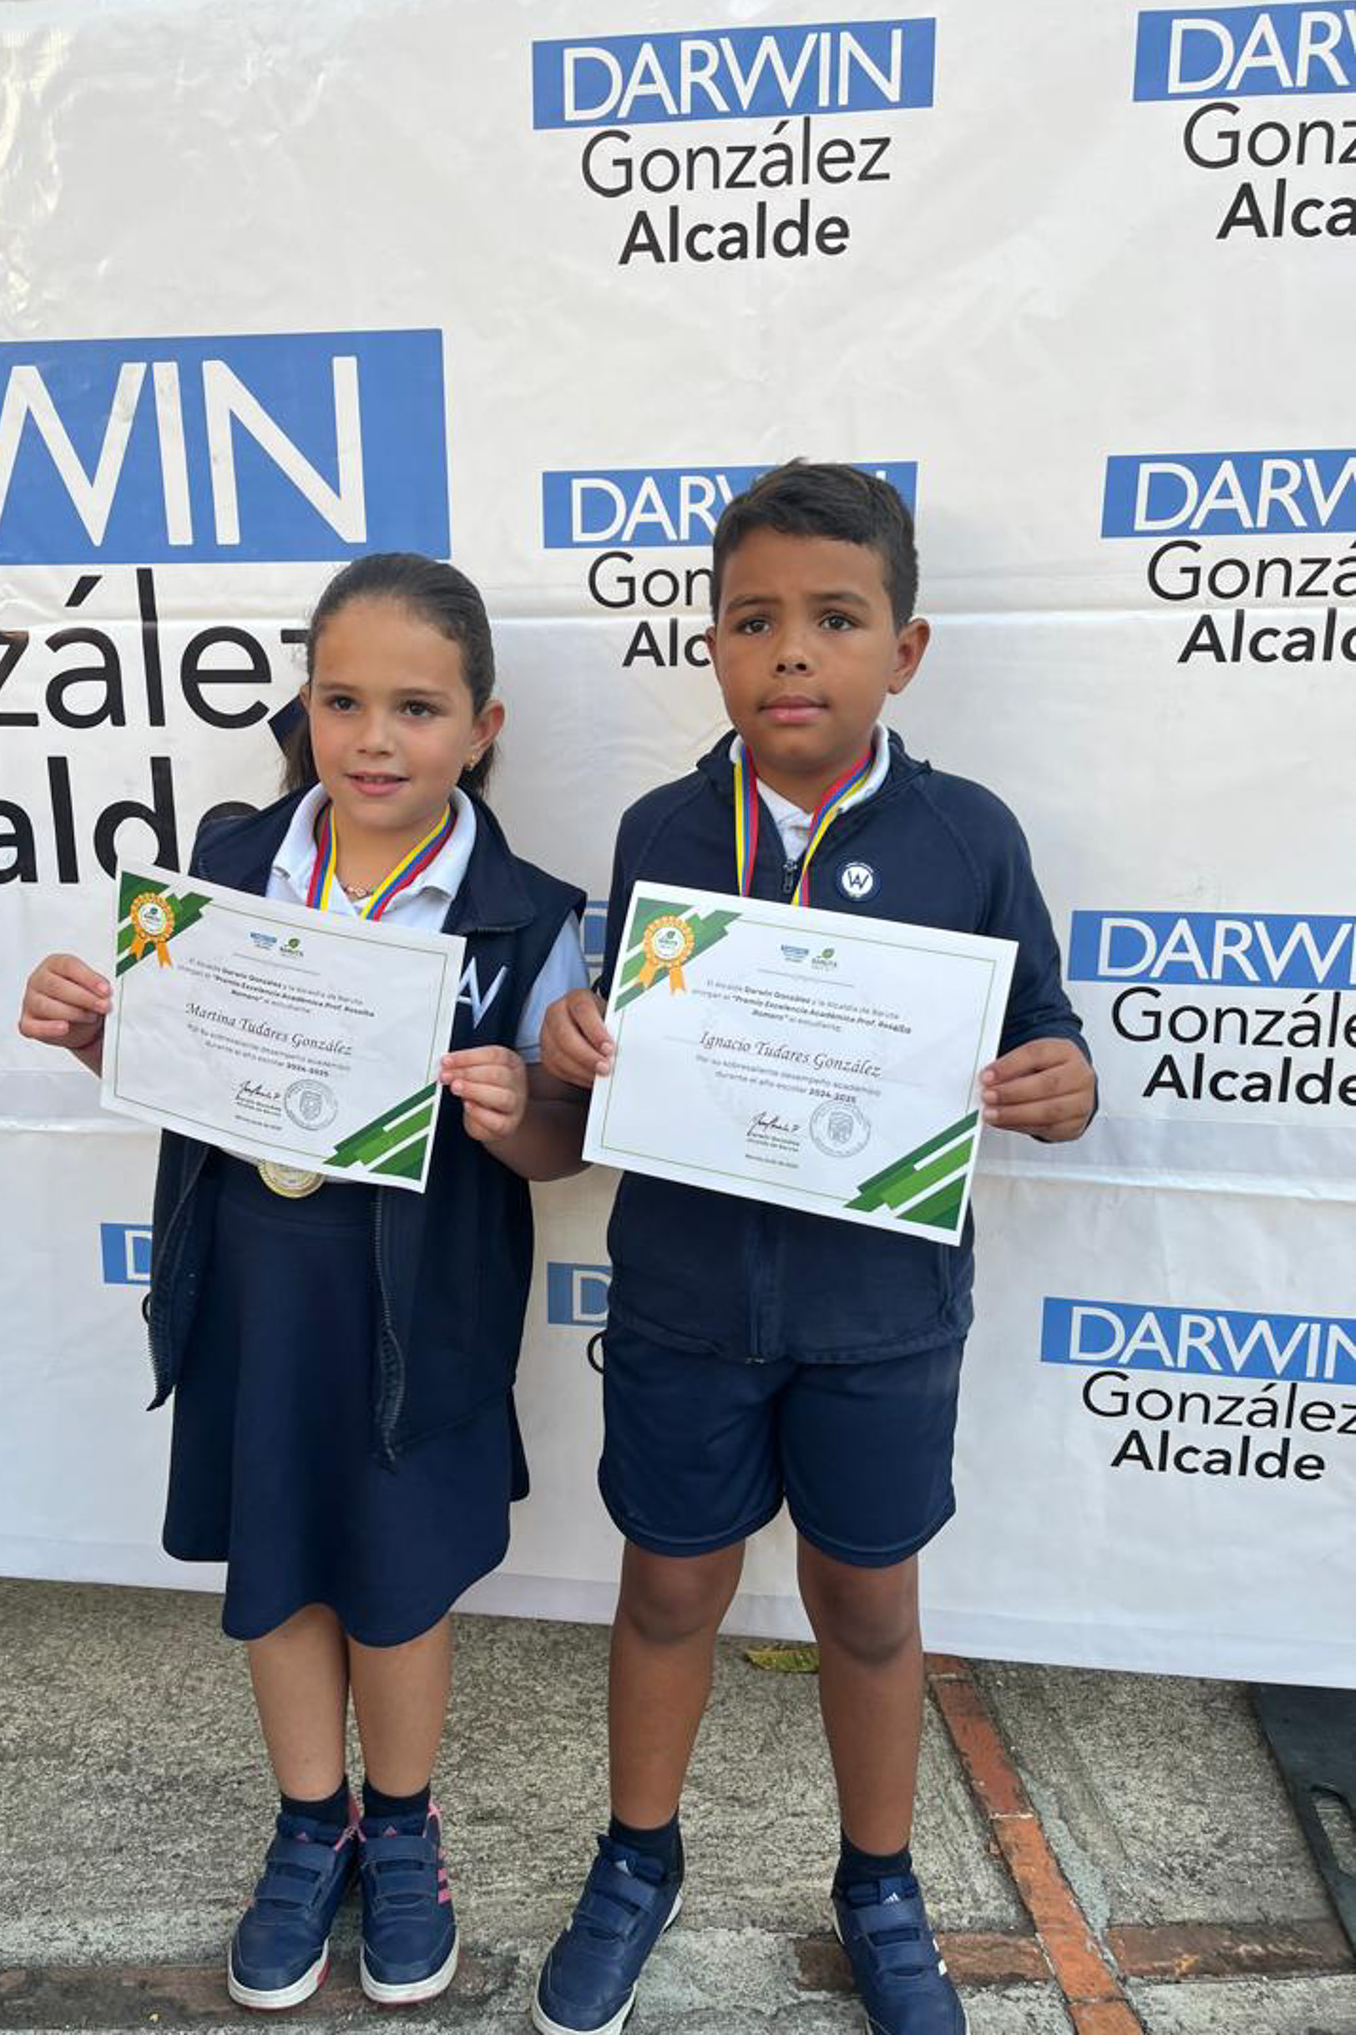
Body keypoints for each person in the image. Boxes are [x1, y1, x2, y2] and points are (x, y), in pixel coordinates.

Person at [534, 462, 1096, 2035]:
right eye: (754, 619)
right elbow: (616, 1041)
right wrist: (579, 1041)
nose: (792, 650)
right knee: (668, 1589)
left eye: (836, 619)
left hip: (884, 1320)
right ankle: (637, 1861)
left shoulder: (969, 837)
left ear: (904, 652)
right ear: (711, 644)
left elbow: (1047, 1035)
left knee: (868, 1605)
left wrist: (1063, 1082)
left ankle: (881, 1884)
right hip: (685, 1305)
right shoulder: (660, 830)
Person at [18, 553, 588, 2013]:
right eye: (343, 702)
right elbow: (173, 1066)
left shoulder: (530, 915)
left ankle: (400, 1831)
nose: (374, 739)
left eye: (417, 707)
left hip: (423, 1321)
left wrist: (516, 1112)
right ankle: (306, 1825)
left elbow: (559, 1151)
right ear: (307, 708)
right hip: (255, 1294)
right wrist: (94, 1035)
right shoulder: (225, 867)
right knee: (275, 1568)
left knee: (397, 1587)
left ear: (482, 728)